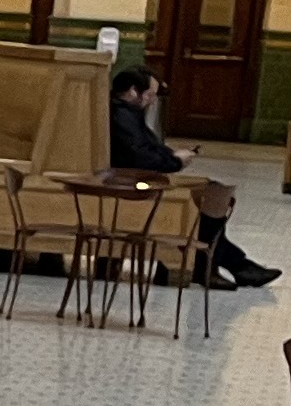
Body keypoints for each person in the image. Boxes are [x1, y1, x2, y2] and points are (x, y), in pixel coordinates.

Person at [112, 64, 280, 286]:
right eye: (150, 95)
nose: (152, 101)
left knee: (212, 193)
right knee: (207, 201)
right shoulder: (121, 115)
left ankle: (235, 267)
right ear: (133, 91)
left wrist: (174, 156)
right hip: (133, 187)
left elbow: (146, 148)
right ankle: (221, 267)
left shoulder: (127, 113)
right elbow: (140, 156)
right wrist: (175, 161)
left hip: (138, 180)